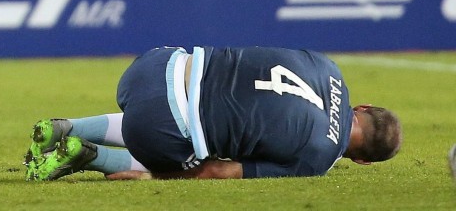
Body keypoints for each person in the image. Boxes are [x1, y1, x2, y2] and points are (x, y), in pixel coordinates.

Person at [25, 45, 402, 181]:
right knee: (189, 140)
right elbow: (217, 171)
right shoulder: (318, 159)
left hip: (154, 66)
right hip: (156, 129)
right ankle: (93, 157)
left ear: (364, 107)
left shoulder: (327, 67)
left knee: (186, 98)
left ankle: (69, 126)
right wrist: (154, 176)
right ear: (363, 161)